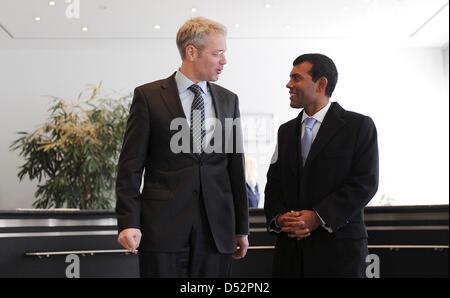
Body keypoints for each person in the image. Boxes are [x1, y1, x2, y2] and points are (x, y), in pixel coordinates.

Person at [115, 17, 249, 278]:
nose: (224, 61)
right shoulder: (148, 97)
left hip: (216, 230)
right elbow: (130, 166)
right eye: (217, 53)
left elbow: (235, 168)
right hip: (162, 229)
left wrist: (241, 228)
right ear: (191, 52)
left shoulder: (228, 100)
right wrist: (128, 222)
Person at [264, 53, 379, 277]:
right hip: (291, 254)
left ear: (321, 83)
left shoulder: (359, 126)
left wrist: (318, 216)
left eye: (296, 78)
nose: (288, 84)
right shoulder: (285, 132)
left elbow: (365, 182)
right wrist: (279, 218)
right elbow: (274, 182)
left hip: (339, 253)